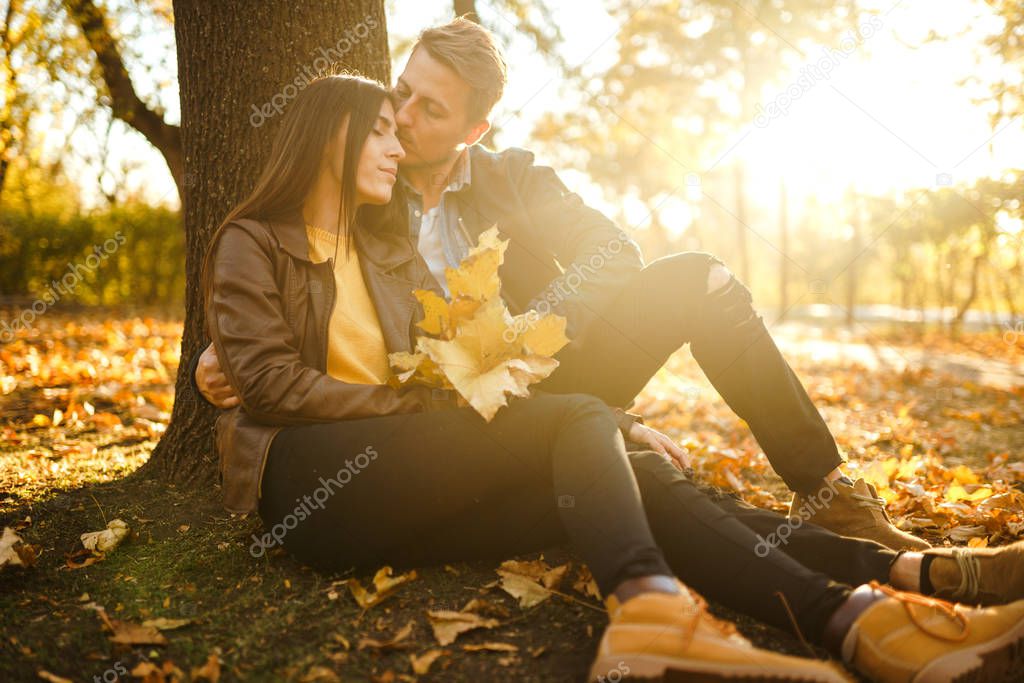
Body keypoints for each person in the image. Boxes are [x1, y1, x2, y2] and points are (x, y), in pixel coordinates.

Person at [202, 72, 1024, 683]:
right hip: (308, 483)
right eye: (380, 128)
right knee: (571, 425)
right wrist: (254, 364)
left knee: (626, 474)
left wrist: (604, 418)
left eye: (406, 123)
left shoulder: (386, 250)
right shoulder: (254, 240)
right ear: (329, 137)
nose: (395, 142)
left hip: (407, 469)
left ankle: (874, 605)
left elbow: (455, 362)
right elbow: (275, 389)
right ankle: (646, 604)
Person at [192, 19, 928, 553]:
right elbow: (294, 280)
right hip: (441, 407)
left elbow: (613, 251)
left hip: (547, 366)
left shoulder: (515, 179)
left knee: (698, 277)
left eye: (432, 111)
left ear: (474, 131)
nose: (406, 120)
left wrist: (531, 332)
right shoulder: (365, 192)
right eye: (403, 94)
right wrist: (220, 358)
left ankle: (835, 496)